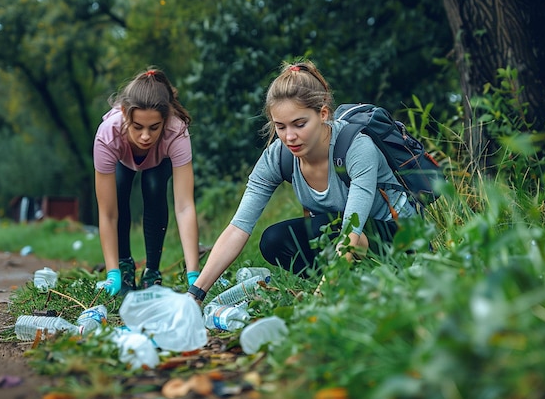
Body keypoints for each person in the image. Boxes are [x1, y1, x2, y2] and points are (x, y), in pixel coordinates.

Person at [186, 60, 417, 303]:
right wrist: (196, 293)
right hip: (340, 235)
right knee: (274, 240)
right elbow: (238, 228)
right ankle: (348, 283)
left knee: (338, 232)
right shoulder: (278, 156)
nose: (290, 137)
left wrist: (319, 300)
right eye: (280, 127)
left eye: (299, 124)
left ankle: (340, 287)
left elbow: (351, 231)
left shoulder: (357, 147)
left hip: (398, 236)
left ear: (323, 114)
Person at [93, 68, 200, 297]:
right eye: (137, 127)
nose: (145, 136)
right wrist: (111, 272)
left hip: (158, 162)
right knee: (119, 189)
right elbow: (107, 213)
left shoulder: (176, 130)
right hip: (123, 159)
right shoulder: (108, 134)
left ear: (165, 119)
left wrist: (194, 274)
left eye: (154, 128)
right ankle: (123, 266)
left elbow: (184, 206)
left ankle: (152, 271)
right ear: (124, 113)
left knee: (153, 186)